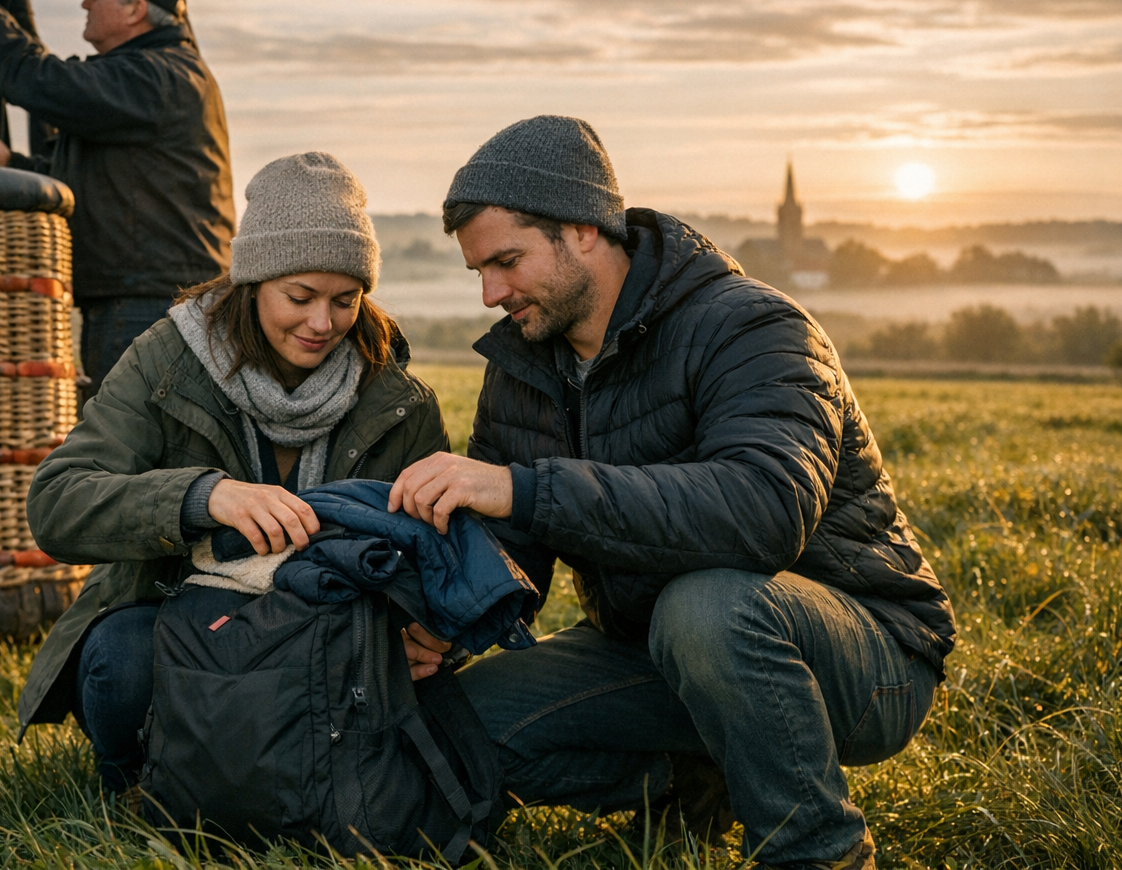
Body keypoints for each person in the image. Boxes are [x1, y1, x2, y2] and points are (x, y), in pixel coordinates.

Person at [387, 116, 956, 870]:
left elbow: (763, 511)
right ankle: (693, 784)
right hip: (651, 651)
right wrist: (442, 627)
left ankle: (818, 851)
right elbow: (515, 543)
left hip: (861, 656)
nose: (492, 293)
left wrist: (525, 489)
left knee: (707, 607)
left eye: (507, 261)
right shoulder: (524, 364)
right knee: (455, 729)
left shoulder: (753, 326)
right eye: (478, 273)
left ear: (584, 229)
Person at [16, 151, 452, 792]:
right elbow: (56, 503)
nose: (321, 323)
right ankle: (143, 782)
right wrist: (201, 499)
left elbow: (438, 551)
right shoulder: (165, 360)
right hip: (182, 627)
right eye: (298, 297)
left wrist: (428, 633)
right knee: (121, 662)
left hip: (326, 643)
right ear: (251, 282)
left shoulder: (397, 397)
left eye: (345, 299)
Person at [0, 0, 235, 390]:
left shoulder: (155, 77)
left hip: (149, 302)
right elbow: (111, 177)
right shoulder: (158, 75)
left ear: (135, 9)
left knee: (131, 450)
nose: (85, 4)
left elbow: (40, 81)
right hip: (151, 296)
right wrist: (15, 164)